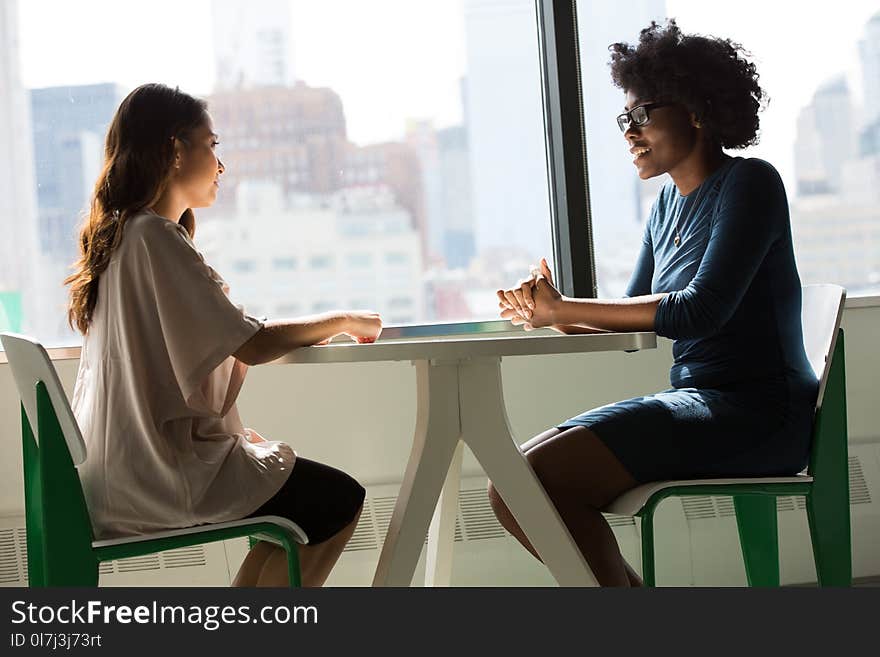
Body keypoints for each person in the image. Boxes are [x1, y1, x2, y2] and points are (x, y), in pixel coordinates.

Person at [491, 20, 818, 586]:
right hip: (701, 400)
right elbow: (634, 320)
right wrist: (547, 312)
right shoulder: (666, 204)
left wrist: (566, 309)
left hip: (760, 413)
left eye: (641, 115)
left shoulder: (751, 184)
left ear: (694, 108)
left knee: (533, 482)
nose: (629, 132)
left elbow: (698, 310)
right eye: (625, 119)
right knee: (512, 482)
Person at [65, 83, 382, 587]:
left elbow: (219, 337)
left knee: (290, 514)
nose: (221, 163)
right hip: (156, 476)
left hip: (120, 469)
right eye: (212, 146)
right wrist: (342, 319)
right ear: (175, 150)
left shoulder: (125, 236)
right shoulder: (154, 237)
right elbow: (250, 343)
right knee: (337, 500)